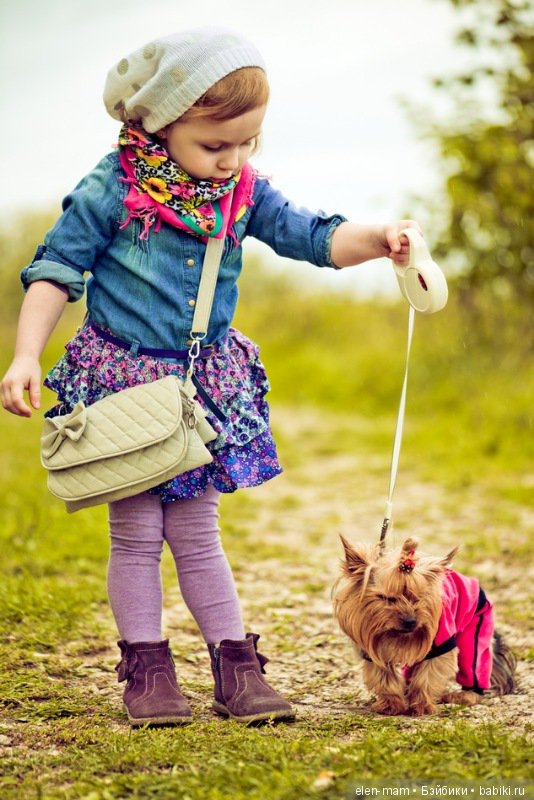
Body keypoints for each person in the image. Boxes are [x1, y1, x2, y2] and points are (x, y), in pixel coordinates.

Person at [0, 28, 421, 727]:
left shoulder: (244, 191)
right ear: (160, 123)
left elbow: (312, 235)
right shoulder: (113, 188)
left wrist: (378, 239)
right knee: (135, 535)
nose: (233, 160)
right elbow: (55, 270)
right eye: (215, 145)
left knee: (198, 534)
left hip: (199, 390)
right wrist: (23, 356)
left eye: (247, 143)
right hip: (123, 387)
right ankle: (148, 670)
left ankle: (236, 667)